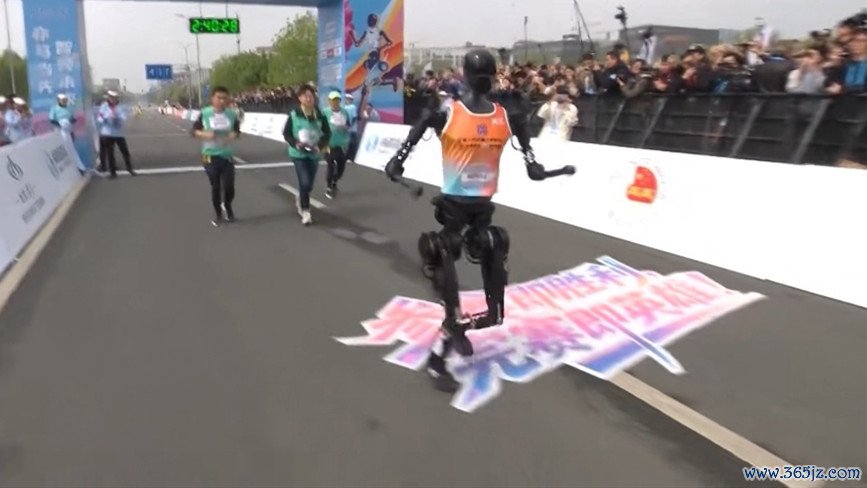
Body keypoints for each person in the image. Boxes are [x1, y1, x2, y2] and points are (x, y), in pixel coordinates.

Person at [384, 49, 574, 392]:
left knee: (495, 294)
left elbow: (531, 163)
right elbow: (418, 130)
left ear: (465, 76)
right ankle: (442, 349)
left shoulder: (506, 117)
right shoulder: (450, 113)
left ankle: (456, 329)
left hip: (483, 210)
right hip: (453, 208)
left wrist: (539, 168)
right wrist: (399, 159)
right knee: (445, 255)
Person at [191, 86, 241, 227]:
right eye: (219, 98)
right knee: (216, 186)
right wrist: (205, 134)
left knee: (229, 186)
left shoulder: (232, 114)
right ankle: (218, 214)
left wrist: (233, 135)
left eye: (224, 98)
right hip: (210, 155)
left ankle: (228, 205)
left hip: (226, 155)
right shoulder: (205, 113)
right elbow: (194, 131)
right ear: (212, 98)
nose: (222, 101)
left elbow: (237, 130)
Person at [282, 84, 331, 226]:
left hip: (314, 153)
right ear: (300, 98)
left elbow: (327, 133)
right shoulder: (294, 114)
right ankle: (305, 211)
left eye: (311, 96)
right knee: (304, 181)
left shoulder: (320, 114)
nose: (309, 99)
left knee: (309, 185)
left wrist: (319, 146)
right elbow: (286, 133)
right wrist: (296, 143)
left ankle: (301, 196)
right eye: (306, 96)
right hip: (298, 154)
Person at [97, 90, 136, 177]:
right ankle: (112, 172)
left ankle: (129, 168)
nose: (113, 99)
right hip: (107, 133)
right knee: (110, 153)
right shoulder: (104, 106)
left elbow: (123, 117)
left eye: (115, 98)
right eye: (111, 98)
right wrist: (105, 119)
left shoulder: (120, 106)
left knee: (125, 151)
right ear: (109, 98)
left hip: (118, 133)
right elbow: (100, 117)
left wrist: (117, 119)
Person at [322, 91, 351, 199]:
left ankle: (334, 181)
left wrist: (345, 128)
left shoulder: (344, 112)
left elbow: (348, 125)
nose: (335, 102)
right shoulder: (325, 112)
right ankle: (329, 186)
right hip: (329, 144)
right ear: (329, 101)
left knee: (341, 167)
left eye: (337, 100)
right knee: (331, 165)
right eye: (333, 100)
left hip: (341, 144)